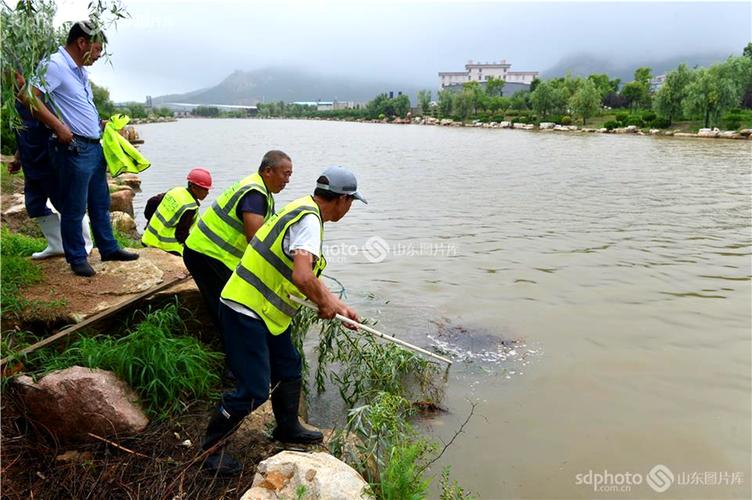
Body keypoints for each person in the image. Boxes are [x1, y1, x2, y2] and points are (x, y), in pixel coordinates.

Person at [200, 166, 367, 475]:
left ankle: (287, 428)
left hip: (264, 310)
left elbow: (304, 274)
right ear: (342, 200)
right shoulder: (310, 221)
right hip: (246, 308)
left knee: (288, 366)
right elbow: (302, 275)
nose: (349, 208)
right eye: (351, 202)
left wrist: (337, 305)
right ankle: (210, 451)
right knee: (253, 390)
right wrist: (324, 302)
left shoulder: (303, 208)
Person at [22, 20, 138, 277]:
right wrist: (58, 127)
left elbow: (76, 105)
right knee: (74, 206)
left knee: (100, 201)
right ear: (81, 42)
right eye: (97, 49)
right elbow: (28, 96)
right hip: (74, 148)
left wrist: (99, 124)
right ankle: (76, 258)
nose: (99, 55)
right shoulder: (54, 65)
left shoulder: (78, 70)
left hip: (93, 146)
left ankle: (108, 247)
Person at [183, 150, 292, 332]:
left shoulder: (259, 188)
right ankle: (230, 350)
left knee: (227, 305)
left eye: (290, 175)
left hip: (210, 252)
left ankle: (229, 345)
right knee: (229, 307)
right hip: (207, 254)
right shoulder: (255, 194)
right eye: (285, 174)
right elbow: (256, 241)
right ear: (268, 171)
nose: (287, 180)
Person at [9, 72, 93, 259]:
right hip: (32, 164)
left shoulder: (41, 100)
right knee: (35, 205)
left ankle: (85, 244)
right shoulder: (14, 102)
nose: (14, 81)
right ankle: (57, 245)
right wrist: (17, 158)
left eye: (17, 76)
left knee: (66, 203)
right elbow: (22, 135)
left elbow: (61, 128)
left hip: (50, 161)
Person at [141, 168, 212, 256]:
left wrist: (150, 222)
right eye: (205, 189)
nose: (207, 193)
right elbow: (181, 234)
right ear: (193, 186)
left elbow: (152, 202)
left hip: (148, 238)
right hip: (167, 247)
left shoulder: (175, 191)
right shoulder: (189, 207)